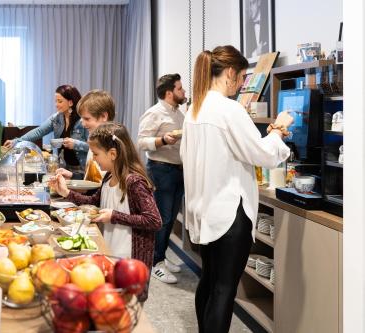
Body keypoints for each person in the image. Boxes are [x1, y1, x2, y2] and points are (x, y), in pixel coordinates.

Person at [181, 45, 293, 333]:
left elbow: (240, 149)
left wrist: (265, 140)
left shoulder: (195, 109)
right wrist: (279, 129)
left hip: (204, 210)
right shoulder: (229, 109)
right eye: (242, 76)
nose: (243, 83)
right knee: (224, 290)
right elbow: (262, 156)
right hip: (231, 213)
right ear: (230, 72)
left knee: (209, 281)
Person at [49, 122, 162, 301]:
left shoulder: (134, 182)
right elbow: (93, 203)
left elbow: (154, 220)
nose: (93, 159)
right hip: (112, 251)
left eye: (95, 154)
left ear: (112, 154)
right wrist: (66, 193)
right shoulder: (109, 177)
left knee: (128, 305)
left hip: (130, 260)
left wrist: (114, 216)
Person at [137, 74, 186, 284]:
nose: (184, 92)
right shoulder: (155, 113)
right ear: (169, 93)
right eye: (180, 89)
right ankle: (155, 262)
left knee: (171, 218)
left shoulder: (179, 114)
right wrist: (163, 140)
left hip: (178, 170)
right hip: (161, 170)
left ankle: (162, 257)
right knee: (162, 219)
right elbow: (140, 142)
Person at [3, 85, 89, 172]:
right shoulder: (56, 118)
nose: (56, 105)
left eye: (60, 101)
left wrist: (76, 144)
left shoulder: (84, 120)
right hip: (64, 168)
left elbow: (93, 147)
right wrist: (17, 141)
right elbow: (39, 131)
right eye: (55, 101)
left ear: (70, 102)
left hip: (82, 169)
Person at [55, 90, 115, 181]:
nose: (82, 124)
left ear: (103, 116)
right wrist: (72, 175)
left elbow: (101, 184)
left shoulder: (112, 144)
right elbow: (94, 178)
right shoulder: (95, 140)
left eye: (87, 119)